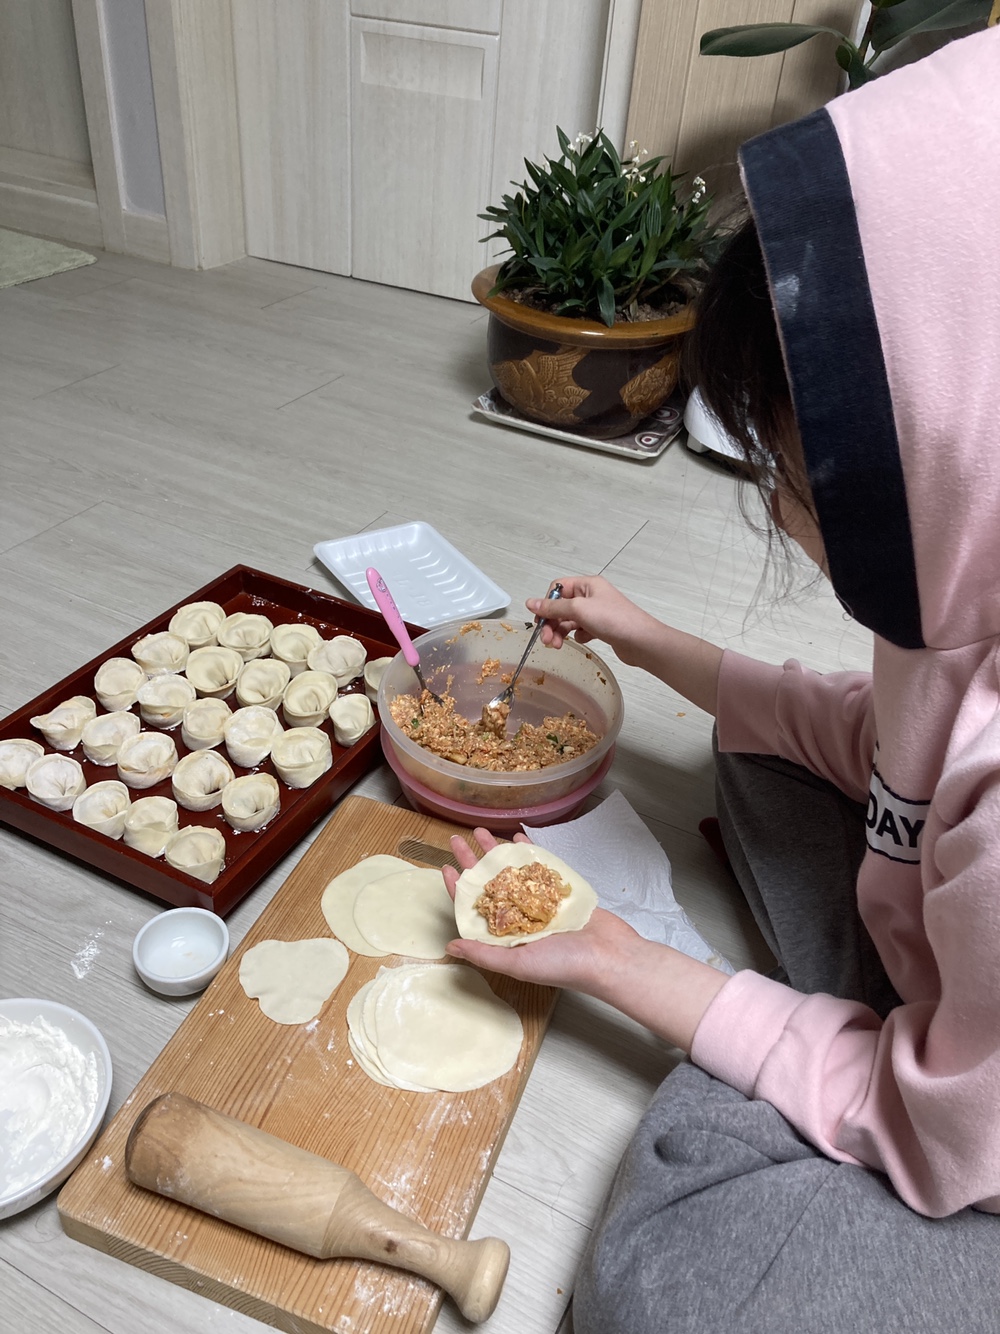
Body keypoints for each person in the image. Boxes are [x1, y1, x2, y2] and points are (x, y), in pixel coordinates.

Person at [442, 26, 1000, 1334]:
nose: (781, 507)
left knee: (669, 1269)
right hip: (964, 1002)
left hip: (971, 1151)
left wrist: (627, 966)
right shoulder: (961, 586)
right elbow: (894, 745)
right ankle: (862, 1001)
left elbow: (946, 1147)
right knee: (754, 756)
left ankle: (843, 1021)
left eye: (797, 477)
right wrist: (659, 646)